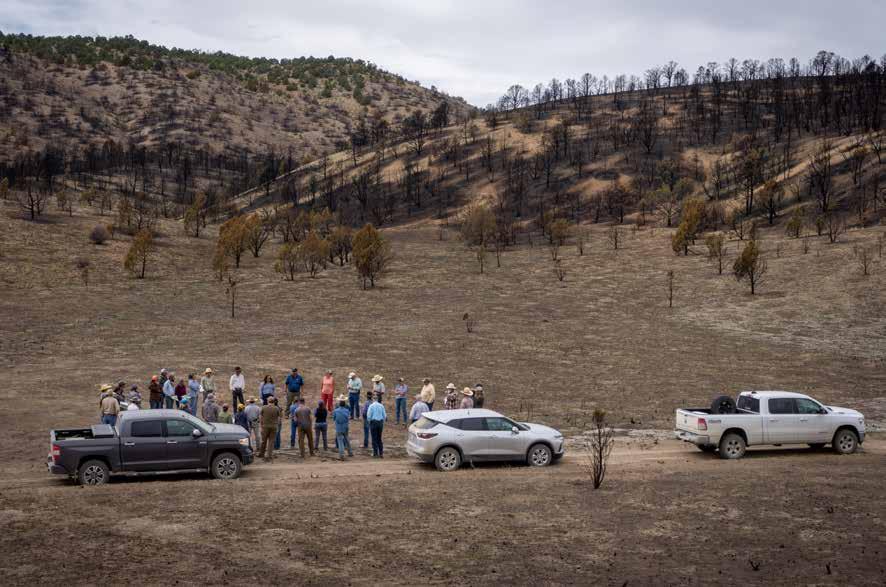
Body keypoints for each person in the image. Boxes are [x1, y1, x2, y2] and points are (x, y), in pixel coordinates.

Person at [259, 396, 282, 461]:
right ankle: (269, 455)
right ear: (274, 401)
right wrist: (277, 425)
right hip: (274, 426)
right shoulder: (276, 408)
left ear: (267, 401)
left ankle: (261, 453)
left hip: (265, 426)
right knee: (271, 442)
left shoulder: (263, 407)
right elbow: (279, 418)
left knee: (263, 441)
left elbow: (260, 417)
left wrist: (261, 425)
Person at [332, 396, 353, 460]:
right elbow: (348, 417)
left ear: (339, 404)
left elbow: (334, 418)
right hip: (345, 427)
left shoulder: (336, 411)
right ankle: (350, 452)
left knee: (340, 441)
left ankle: (342, 454)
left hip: (339, 427)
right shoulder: (347, 411)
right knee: (347, 439)